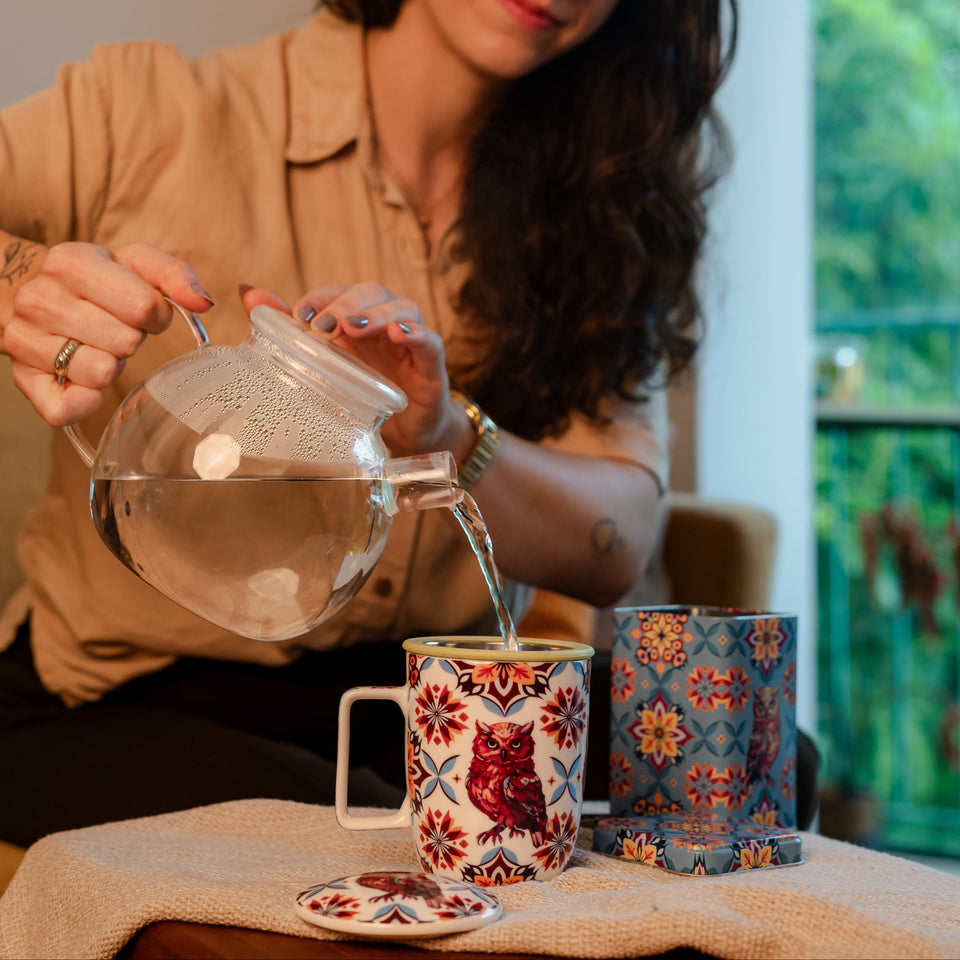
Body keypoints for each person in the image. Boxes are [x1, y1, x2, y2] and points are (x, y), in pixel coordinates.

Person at [0, 0, 736, 847]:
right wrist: (26, 282)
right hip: (116, 704)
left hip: (410, 693)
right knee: (361, 828)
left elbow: (618, 543)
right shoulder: (149, 111)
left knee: (736, 761)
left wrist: (444, 436)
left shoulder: (604, 202)